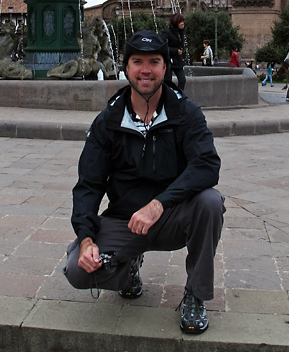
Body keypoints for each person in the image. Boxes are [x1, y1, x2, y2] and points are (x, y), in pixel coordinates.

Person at [64, 30, 224, 335]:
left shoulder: (186, 113)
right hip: (126, 220)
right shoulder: (108, 121)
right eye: (138, 62)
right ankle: (128, 271)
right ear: (126, 68)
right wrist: (86, 239)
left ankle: (196, 294)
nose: (146, 69)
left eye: (154, 61)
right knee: (77, 272)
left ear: (165, 68)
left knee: (210, 202)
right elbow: (89, 185)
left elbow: (207, 165)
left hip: (173, 215)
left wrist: (159, 204)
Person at [163, 13, 187, 91]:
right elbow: (163, 46)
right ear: (176, 22)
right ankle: (168, 98)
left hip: (178, 60)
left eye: (183, 21)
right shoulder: (167, 32)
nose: (183, 23)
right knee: (167, 82)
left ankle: (179, 97)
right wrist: (175, 51)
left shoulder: (180, 32)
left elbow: (181, 44)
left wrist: (182, 32)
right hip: (169, 60)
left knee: (182, 79)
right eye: (181, 21)